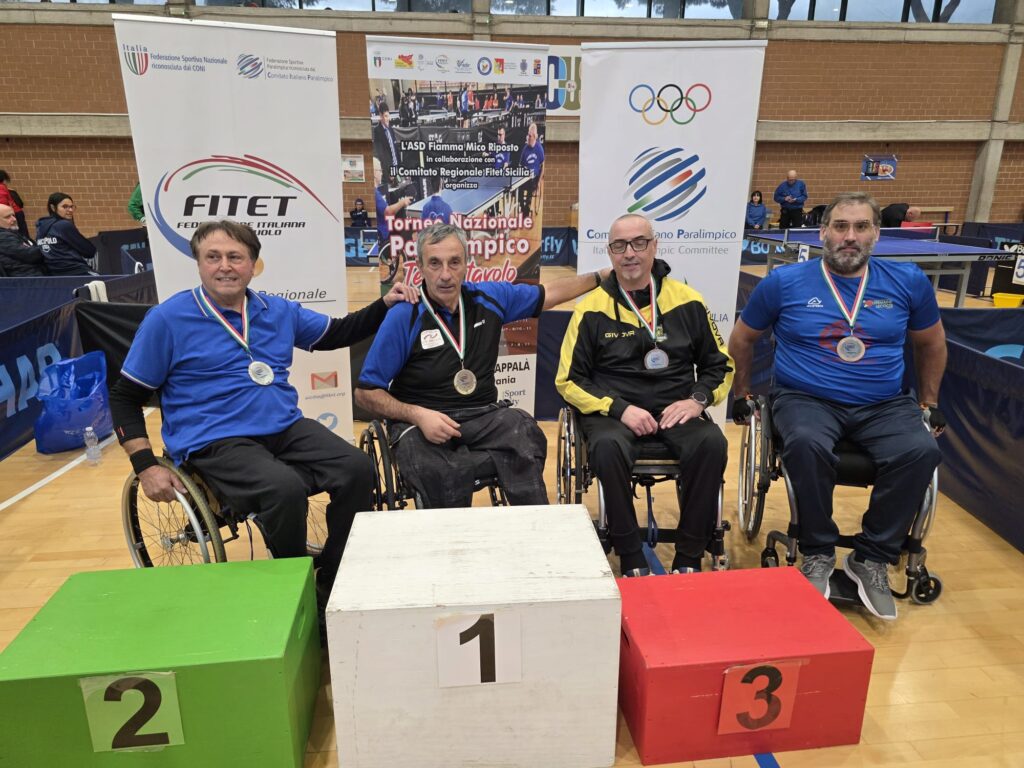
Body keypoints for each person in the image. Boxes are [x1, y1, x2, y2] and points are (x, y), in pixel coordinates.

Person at [109, 220, 419, 620]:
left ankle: (335, 574)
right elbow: (125, 397)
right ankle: (293, 584)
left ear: (253, 264)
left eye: (235, 257)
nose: (225, 266)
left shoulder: (276, 310)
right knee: (284, 488)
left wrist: (386, 304)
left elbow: (337, 333)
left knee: (357, 467)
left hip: (283, 426)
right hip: (213, 438)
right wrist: (145, 465)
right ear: (198, 263)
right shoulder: (167, 319)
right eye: (213, 257)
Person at [728, 192, 947, 621]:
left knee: (922, 451)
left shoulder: (908, 281)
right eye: (841, 226)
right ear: (823, 232)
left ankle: (871, 557)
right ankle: (817, 551)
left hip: (883, 403)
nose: (850, 236)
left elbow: (932, 343)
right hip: (806, 398)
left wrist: (930, 401)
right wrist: (742, 393)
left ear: (876, 234)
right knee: (805, 443)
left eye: (861, 227)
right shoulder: (783, 283)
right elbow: (742, 340)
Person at [355, 223, 606, 509]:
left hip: (481, 415)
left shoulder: (490, 298)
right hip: (421, 422)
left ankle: (532, 529)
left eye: (454, 262)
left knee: (524, 431)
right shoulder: (404, 315)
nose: (445, 274)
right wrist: (418, 415)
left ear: (467, 264)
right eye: (435, 263)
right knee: (437, 469)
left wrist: (600, 277)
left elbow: (549, 292)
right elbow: (365, 393)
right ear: (420, 267)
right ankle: (452, 534)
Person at [555, 213, 733, 577]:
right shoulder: (590, 309)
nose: (629, 253)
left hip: (676, 408)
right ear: (610, 252)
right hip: (614, 413)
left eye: (639, 243)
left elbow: (721, 366)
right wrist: (619, 409)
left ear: (654, 246)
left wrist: (697, 400)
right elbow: (569, 380)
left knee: (712, 443)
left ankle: (689, 556)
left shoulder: (688, 301)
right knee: (606, 447)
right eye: (619, 246)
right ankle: (630, 554)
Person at [36, 192, 97, 276]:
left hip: (53, 275)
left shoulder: (40, 227)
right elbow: (90, 251)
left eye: (71, 207)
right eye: (65, 207)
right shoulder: (63, 225)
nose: (70, 210)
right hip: (75, 271)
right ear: (53, 207)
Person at [0, 203, 45, 276]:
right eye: (7, 217)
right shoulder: (3, 237)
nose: (14, 219)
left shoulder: (15, 233)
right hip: (26, 278)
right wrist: (48, 247)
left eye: (13, 215)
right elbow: (31, 255)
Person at [519, 122, 545, 219]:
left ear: (534, 136)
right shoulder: (525, 148)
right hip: (524, 177)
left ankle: (526, 212)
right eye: (528, 135)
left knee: (530, 185)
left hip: (534, 178)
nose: (528, 137)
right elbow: (520, 165)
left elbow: (543, 166)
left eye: (530, 136)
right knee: (518, 188)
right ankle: (523, 208)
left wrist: (539, 182)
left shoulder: (539, 149)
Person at [372, 107, 401, 189]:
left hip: (395, 166)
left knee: (399, 188)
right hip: (388, 170)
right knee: (390, 190)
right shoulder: (377, 131)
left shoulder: (390, 129)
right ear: (381, 116)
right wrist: (389, 171)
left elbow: (394, 148)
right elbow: (382, 155)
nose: (387, 119)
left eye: (388, 116)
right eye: (385, 116)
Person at [0, 170, 29, 238]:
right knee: (22, 232)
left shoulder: (1, 187)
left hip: (13, 213)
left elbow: (3, 203)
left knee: (19, 233)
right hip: (15, 212)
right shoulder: (2, 187)